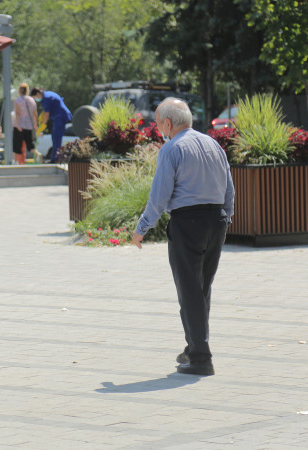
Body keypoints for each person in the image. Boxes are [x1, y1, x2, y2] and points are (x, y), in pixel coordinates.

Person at [132, 98, 234, 376]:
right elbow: (229, 189)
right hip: (216, 221)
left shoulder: (171, 148)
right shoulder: (214, 145)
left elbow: (159, 195)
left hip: (188, 223)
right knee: (202, 290)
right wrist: (226, 219)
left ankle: (201, 358)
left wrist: (141, 229)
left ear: (167, 123)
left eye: (157, 123)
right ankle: (193, 347)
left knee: (189, 291)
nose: (158, 128)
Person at [30, 87, 72, 163]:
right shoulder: (47, 94)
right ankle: (55, 158)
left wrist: (42, 125)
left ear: (37, 94)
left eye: (35, 97)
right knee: (55, 137)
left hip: (60, 117)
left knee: (56, 138)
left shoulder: (46, 98)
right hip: (59, 117)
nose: (36, 99)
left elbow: (47, 114)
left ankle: (56, 159)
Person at [13, 83, 38, 165]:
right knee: (30, 145)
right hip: (29, 126)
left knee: (17, 146)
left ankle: (15, 162)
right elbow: (35, 114)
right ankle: (38, 156)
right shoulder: (31, 100)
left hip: (20, 126)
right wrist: (35, 125)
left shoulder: (18, 100)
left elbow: (17, 113)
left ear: (19, 91)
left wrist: (18, 124)